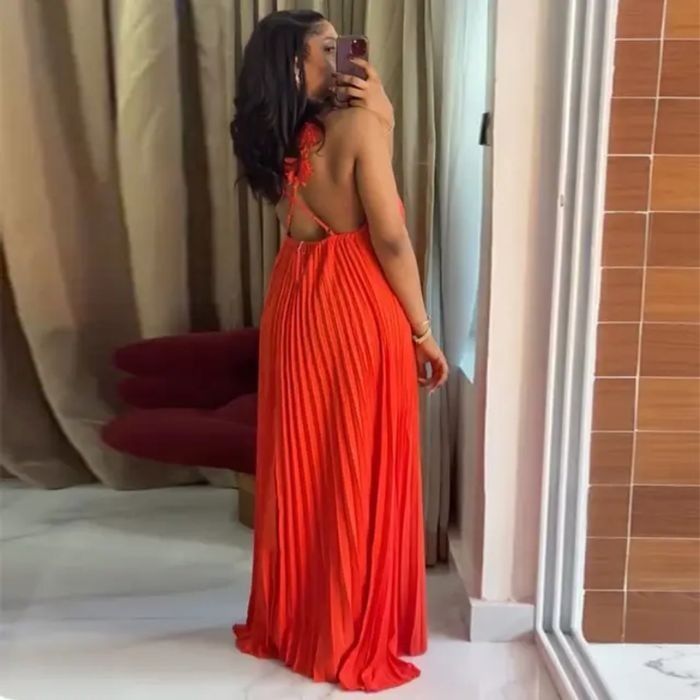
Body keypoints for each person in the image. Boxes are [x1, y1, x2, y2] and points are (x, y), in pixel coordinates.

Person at [230, 9, 448, 692]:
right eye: (326, 47)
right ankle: (350, 627)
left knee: (304, 464)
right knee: (357, 459)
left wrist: (380, 114)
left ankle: (297, 621)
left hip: (296, 303)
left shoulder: (277, 133)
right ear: (296, 64)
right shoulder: (356, 127)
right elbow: (390, 238)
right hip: (355, 307)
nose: (343, 53)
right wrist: (422, 331)